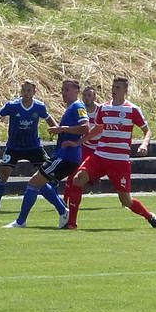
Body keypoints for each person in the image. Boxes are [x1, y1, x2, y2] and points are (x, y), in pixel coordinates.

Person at [66, 77, 156, 228]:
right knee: (78, 178)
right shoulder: (104, 108)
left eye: (118, 87)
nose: (114, 90)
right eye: (113, 87)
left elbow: (147, 131)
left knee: (125, 200)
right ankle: (71, 224)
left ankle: (149, 215)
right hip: (100, 155)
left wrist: (144, 144)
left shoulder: (132, 109)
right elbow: (97, 129)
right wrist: (78, 142)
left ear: (125, 90)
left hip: (119, 160)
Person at [3, 80, 84, 228]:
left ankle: (21, 221)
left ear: (76, 91)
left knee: (34, 182)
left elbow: (85, 127)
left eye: (67, 90)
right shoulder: (71, 108)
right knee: (40, 183)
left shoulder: (77, 107)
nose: (63, 93)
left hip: (66, 157)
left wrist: (63, 129)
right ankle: (63, 212)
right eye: (62, 89)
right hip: (65, 156)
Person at [0, 80, 56, 212]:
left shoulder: (39, 107)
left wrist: (58, 131)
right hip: (14, 147)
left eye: (29, 90)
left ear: (34, 92)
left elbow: (49, 119)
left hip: (34, 147)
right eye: (24, 90)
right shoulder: (12, 105)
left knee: (48, 173)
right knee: (4, 174)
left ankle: (57, 203)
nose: (26, 93)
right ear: (21, 91)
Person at [61, 84, 100, 228]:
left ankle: (124, 199)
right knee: (74, 174)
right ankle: (65, 201)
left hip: (100, 148)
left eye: (90, 95)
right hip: (86, 147)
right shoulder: (80, 109)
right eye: (85, 95)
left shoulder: (101, 110)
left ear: (94, 97)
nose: (87, 98)